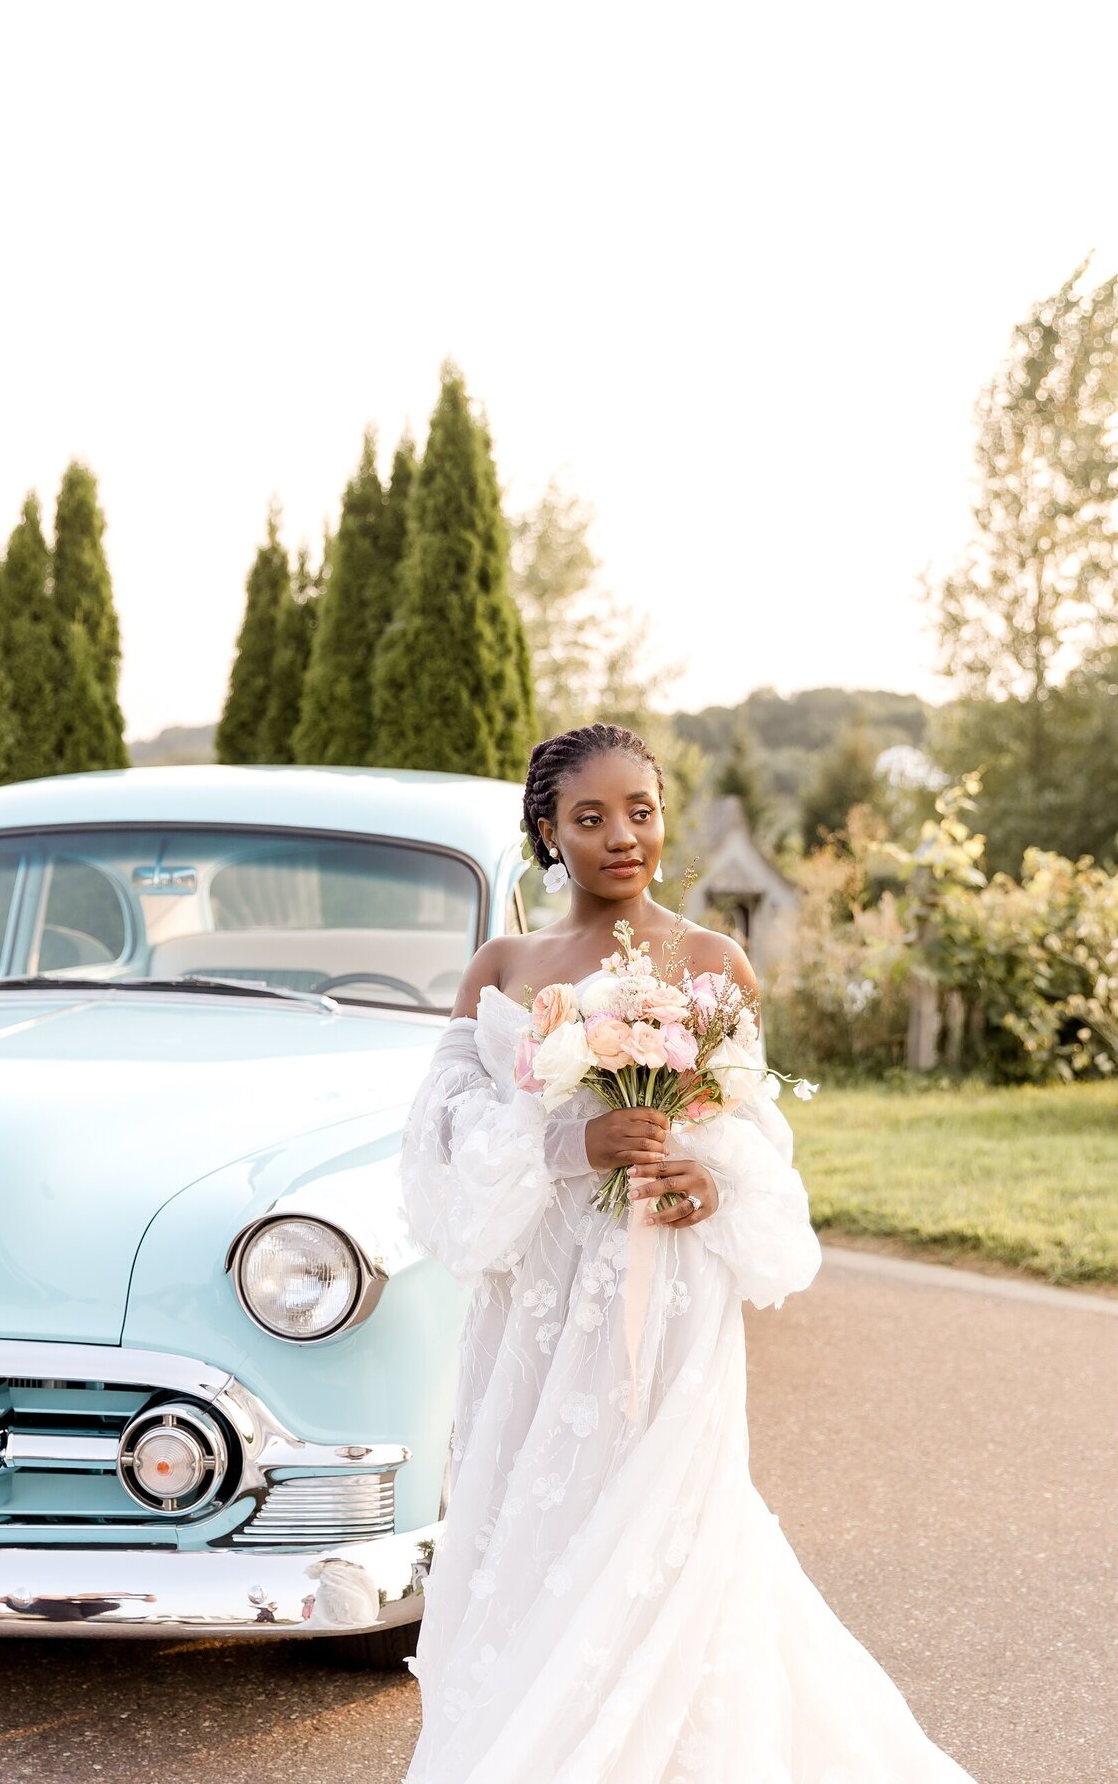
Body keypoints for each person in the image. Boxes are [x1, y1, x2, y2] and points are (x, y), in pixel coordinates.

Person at [399, 722, 978, 1783]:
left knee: (668, 1526)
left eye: (642, 810)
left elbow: (757, 1141)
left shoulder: (714, 964)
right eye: (590, 816)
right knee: (542, 1520)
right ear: (546, 831)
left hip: (672, 1299)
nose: (623, 835)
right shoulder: (505, 965)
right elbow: (440, 1142)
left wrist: (708, 1179)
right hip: (541, 1304)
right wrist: (575, 1142)